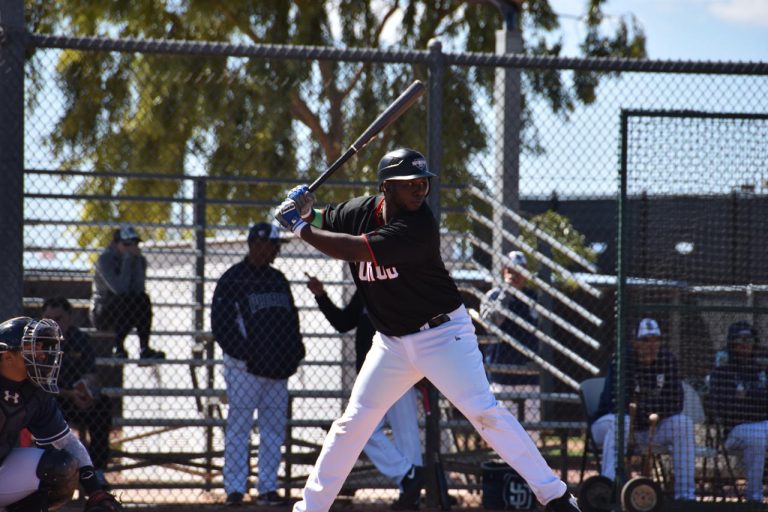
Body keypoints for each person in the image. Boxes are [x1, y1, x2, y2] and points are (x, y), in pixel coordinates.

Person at [274, 148, 580, 512]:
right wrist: (308, 210)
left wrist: (299, 227)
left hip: (442, 335)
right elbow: (328, 218)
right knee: (352, 423)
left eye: (423, 183)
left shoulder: (419, 227)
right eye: (410, 184)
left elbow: (353, 249)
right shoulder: (360, 210)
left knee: (485, 414)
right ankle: (310, 508)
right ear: (387, 187)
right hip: (391, 343)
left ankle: (556, 496)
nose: (420, 190)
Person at [305, 274, 424, 509]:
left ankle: (411, 496)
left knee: (407, 436)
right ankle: (407, 475)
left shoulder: (406, 288)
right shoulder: (366, 289)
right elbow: (344, 322)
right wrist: (321, 296)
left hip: (402, 372)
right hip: (372, 379)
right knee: (363, 430)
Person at [211, 222, 306, 507]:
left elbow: (292, 320)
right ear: (257, 244)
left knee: (273, 431)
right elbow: (222, 326)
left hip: (277, 370)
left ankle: (267, 487)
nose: (276, 250)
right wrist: (247, 355)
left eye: (277, 246)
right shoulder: (233, 279)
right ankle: (235, 488)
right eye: (273, 245)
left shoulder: (278, 278)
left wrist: (293, 354)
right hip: (245, 369)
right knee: (239, 427)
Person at [0, 316, 122, 511]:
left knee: (60, 467)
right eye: (33, 348)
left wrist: (96, 492)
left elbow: (66, 442)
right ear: (7, 357)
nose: (41, 354)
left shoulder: (35, 392)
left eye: (41, 346)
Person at [590, 318, 696, 501]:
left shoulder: (668, 360)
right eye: (646, 340)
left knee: (683, 423)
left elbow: (676, 402)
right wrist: (648, 411)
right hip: (608, 424)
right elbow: (617, 403)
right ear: (635, 342)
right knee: (622, 421)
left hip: (650, 426)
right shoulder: (623, 360)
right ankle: (610, 492)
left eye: (656, 339)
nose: (651, 345)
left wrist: (650, 412)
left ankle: (685, 496)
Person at [41, 296, 113, 487]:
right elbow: (40, 385)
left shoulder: (80, 339)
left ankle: (97, 471)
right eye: (49, 319)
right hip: (53, 400)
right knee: (45, 410)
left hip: (76, 397)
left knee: (103, 405)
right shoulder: (38, 344)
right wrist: (68, 393)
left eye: (59, 319)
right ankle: (48, 474)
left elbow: (92, 374)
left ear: (69, 318)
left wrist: (86, 389)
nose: (54, 324)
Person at [709, 321, 768, 503]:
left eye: (748, 340)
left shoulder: (761, 371)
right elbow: (726, 409)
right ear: (731, 343)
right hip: (734, 432)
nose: (744, 344)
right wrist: (757, 401)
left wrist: (746, 396)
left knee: (758, 432)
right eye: (740, 340)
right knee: (756, 434)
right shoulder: (722, 372)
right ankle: (754, 498)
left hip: (762, 425)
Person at [480, 250, 541, 424]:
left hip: (528, 374)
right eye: (511, 270)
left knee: (531, 430)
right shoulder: (493, 295)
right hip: (501, 374)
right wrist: (506, 292)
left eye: (520, 270)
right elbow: (491, 324)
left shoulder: (533, 298)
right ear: (503, 270)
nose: (515, 275)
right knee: (503, 428)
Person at [90, 223, 165, 360]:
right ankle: (118, 347)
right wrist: (127, 259)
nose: (131, 248)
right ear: (116, 243)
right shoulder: (105, 259)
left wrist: (135, 262)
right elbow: (120, 289)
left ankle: (144, 349)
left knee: (143, 299)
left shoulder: (139, 260)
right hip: (103, 310)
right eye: (126, 244)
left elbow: (139, 289)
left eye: (134, 244)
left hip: (127, 308)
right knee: (123, 299)